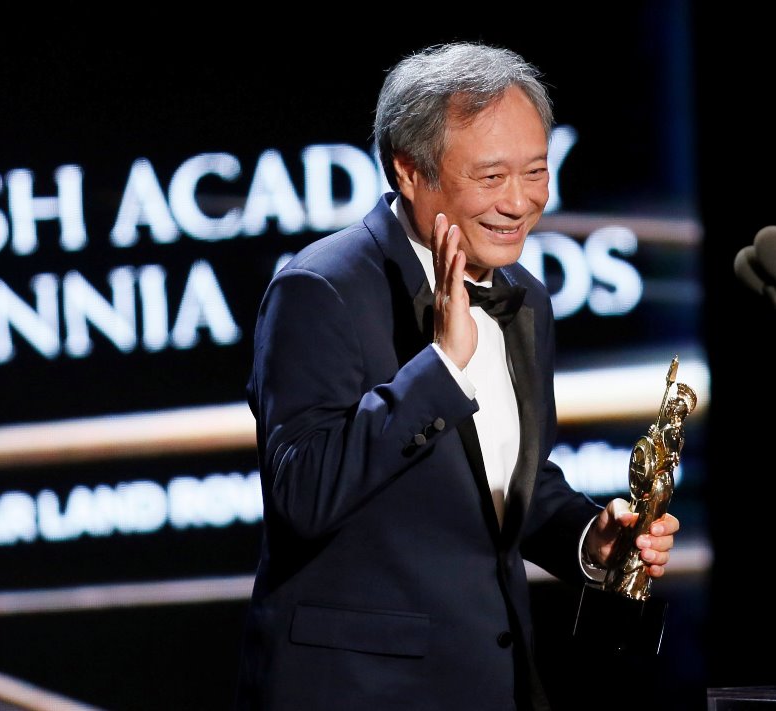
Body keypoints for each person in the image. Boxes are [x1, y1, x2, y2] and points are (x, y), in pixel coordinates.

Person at [234, 41, 680, 711]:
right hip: (360, 693)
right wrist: (442, 365)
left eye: (535, 171)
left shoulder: (525, 295)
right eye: (492, 176)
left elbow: (503, 483)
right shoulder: (320, 289)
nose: (521, 201)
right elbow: (303, 494)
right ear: (409, 171)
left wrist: (593, 540)